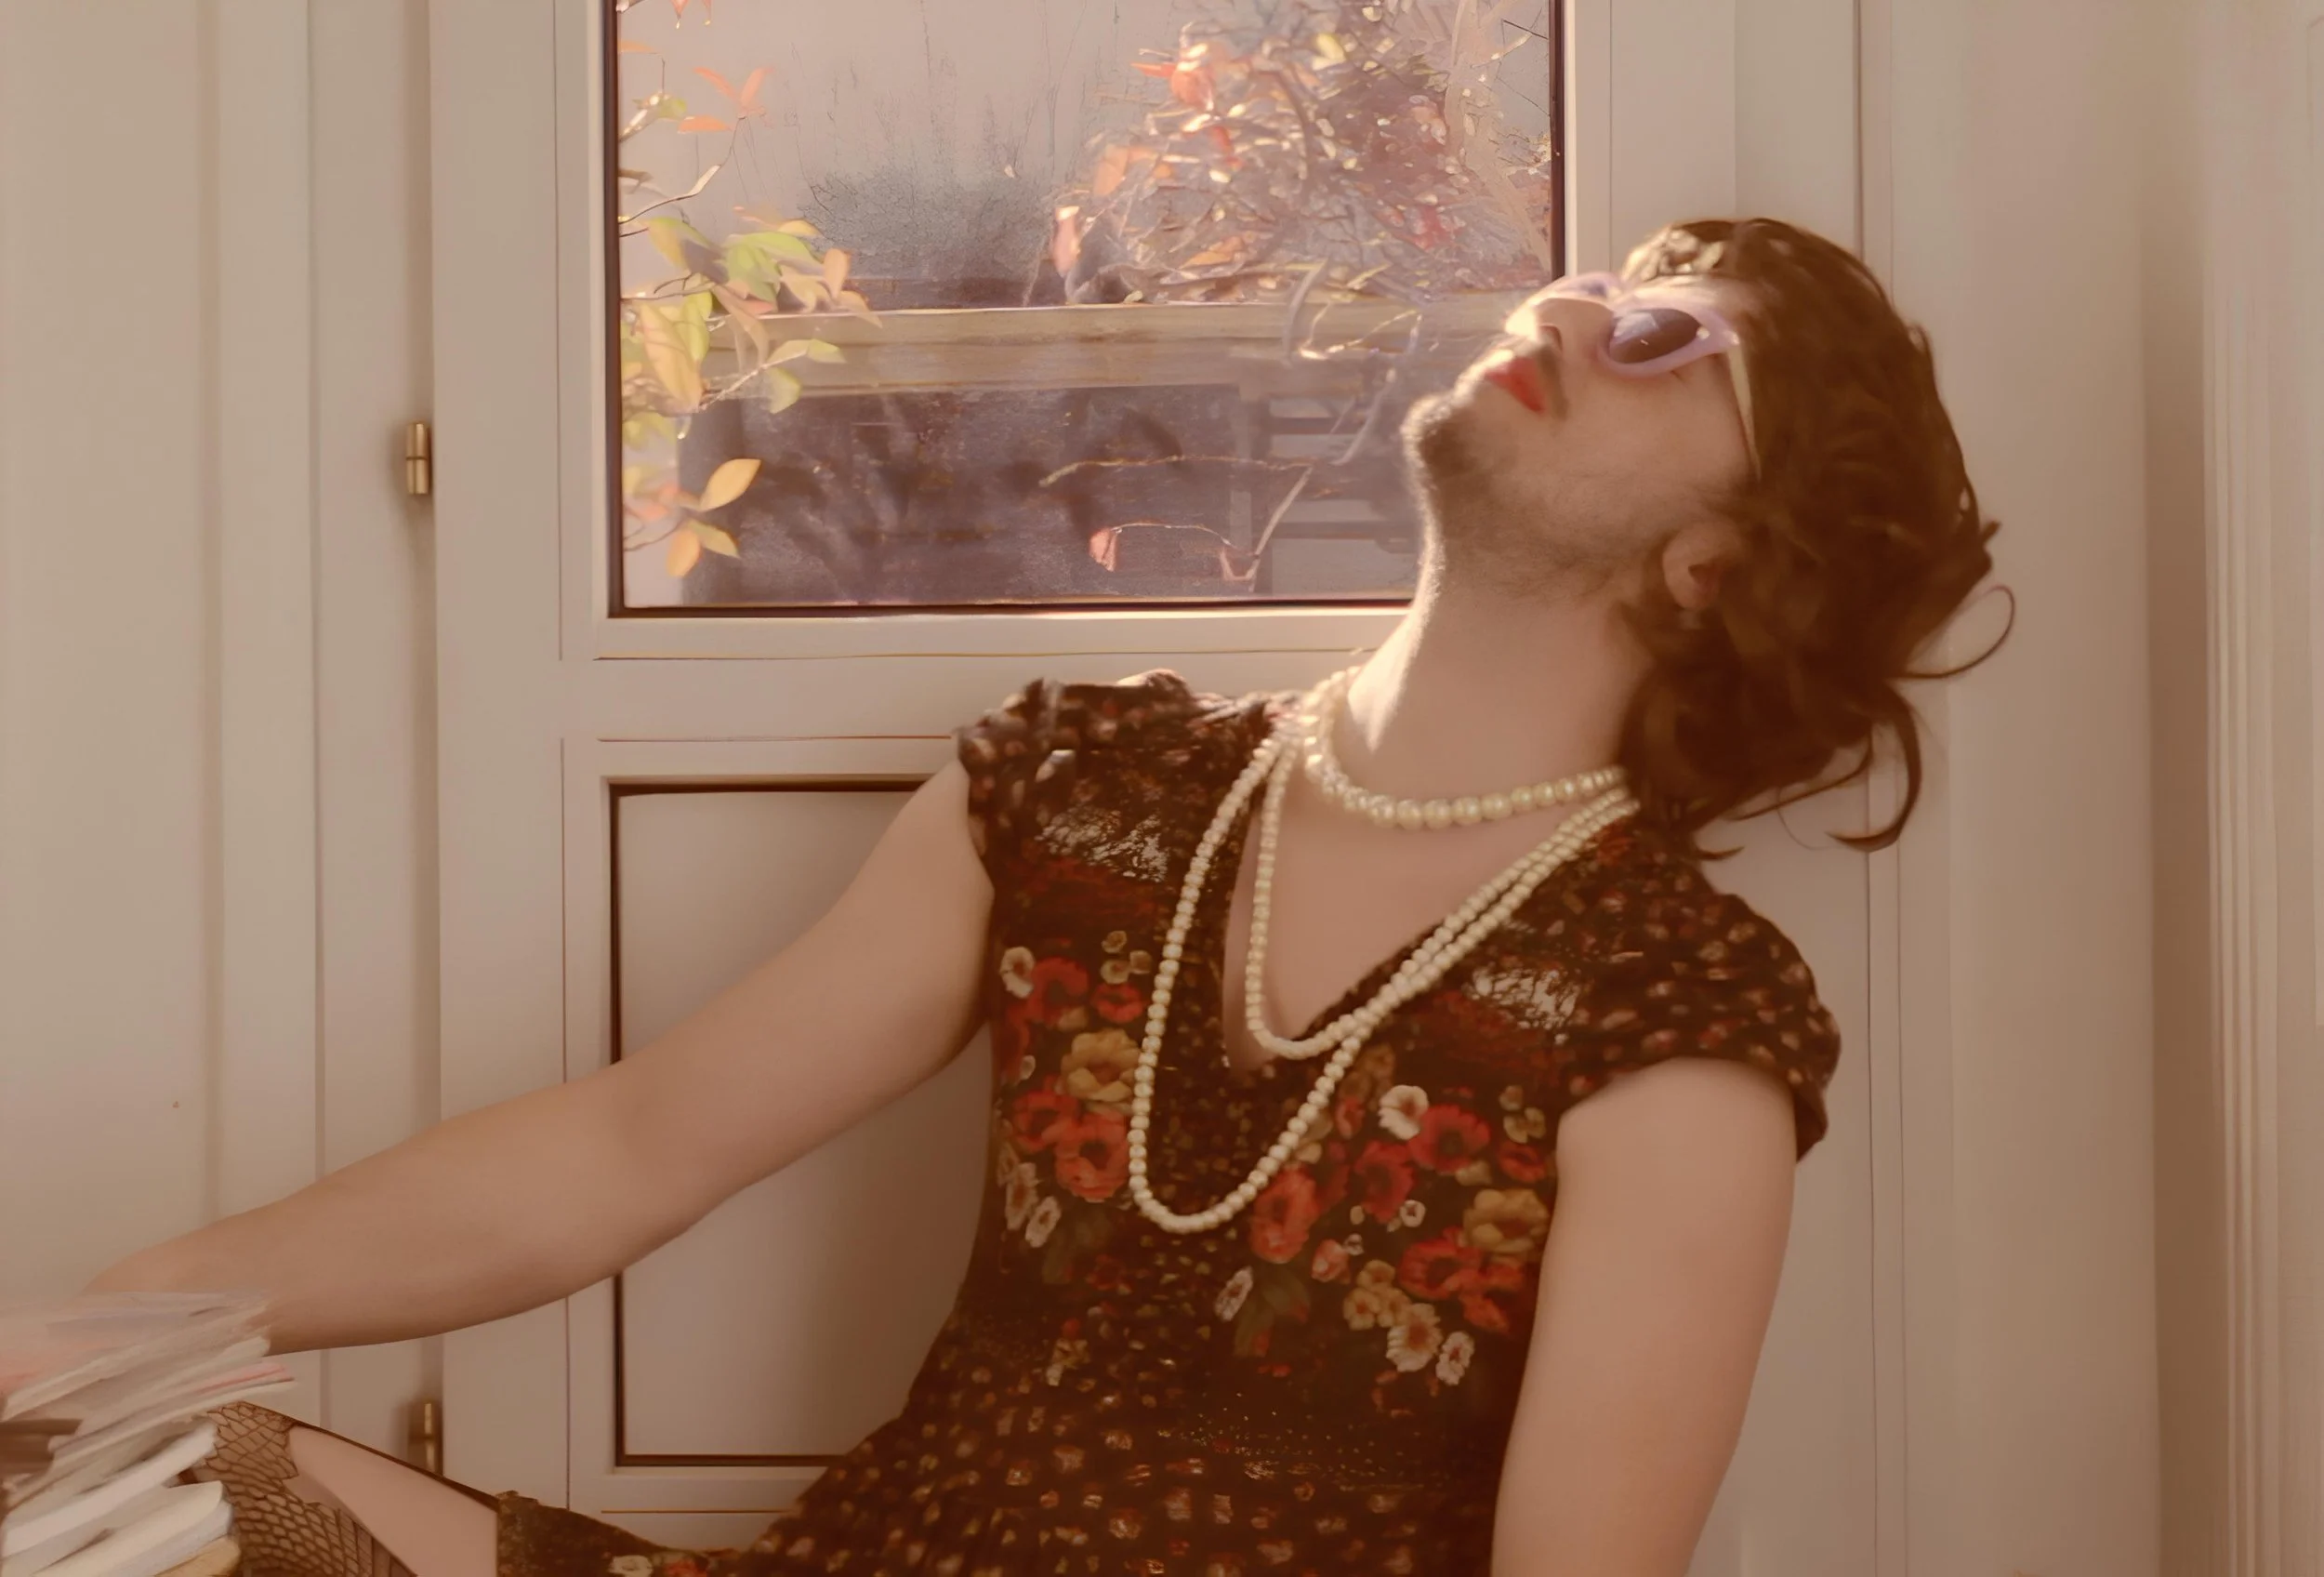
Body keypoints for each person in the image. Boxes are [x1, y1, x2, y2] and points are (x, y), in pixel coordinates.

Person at [84, 216, 2007, 1577]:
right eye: (1607, 281)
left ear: (1717, 566)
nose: (1585, 309)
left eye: (1675, 340)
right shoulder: (1085, 792)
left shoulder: (1673, 1012)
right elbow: (629, 1147)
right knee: (107, 1473)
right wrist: (93, 1330)